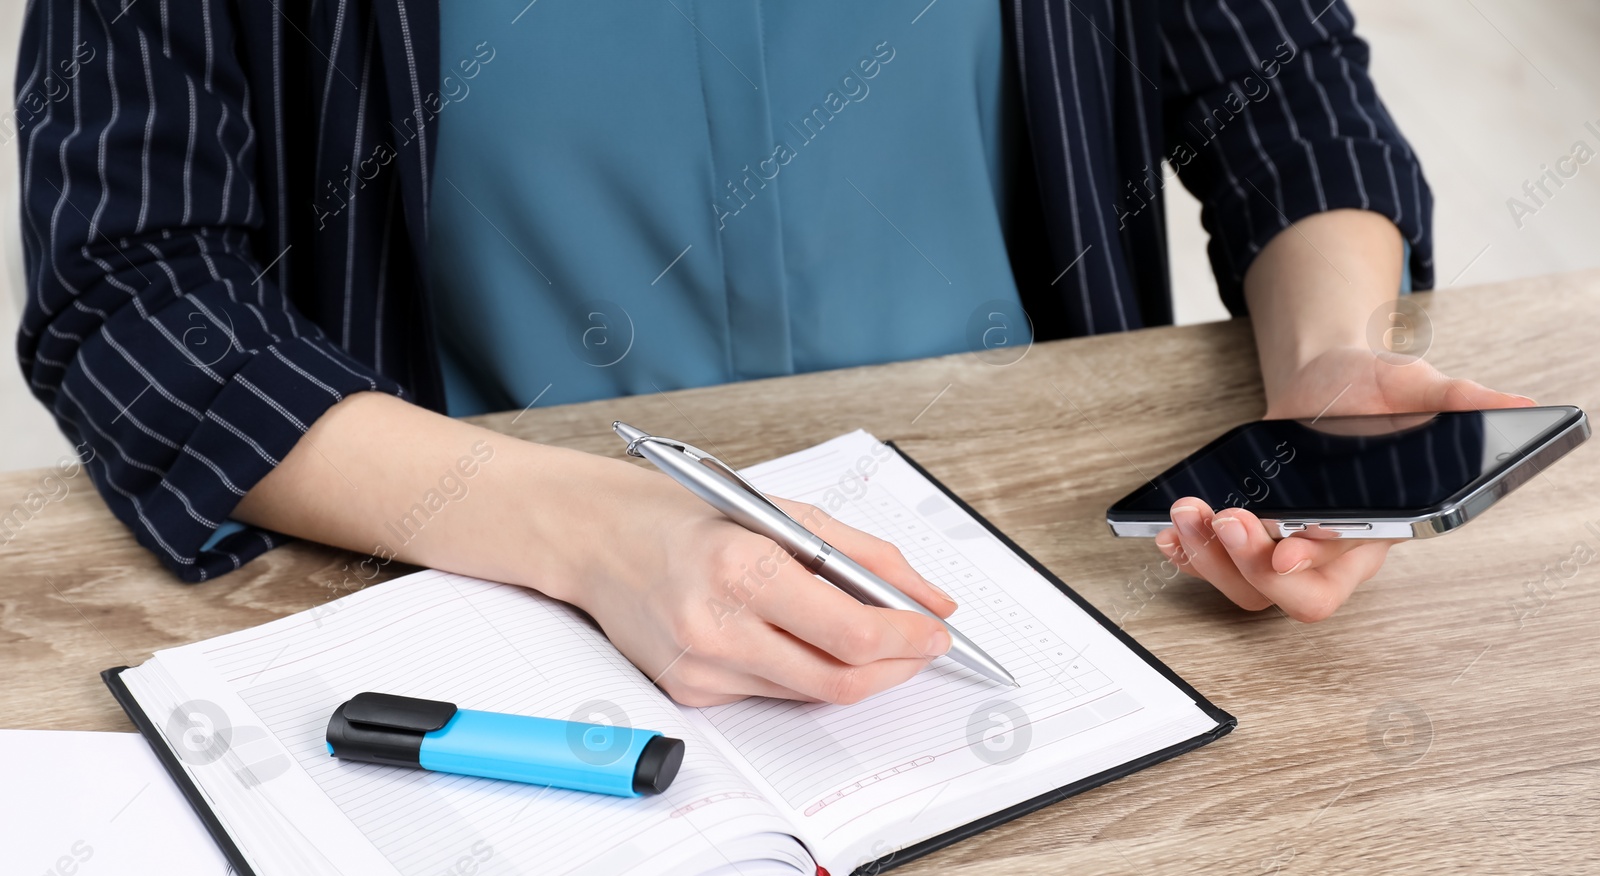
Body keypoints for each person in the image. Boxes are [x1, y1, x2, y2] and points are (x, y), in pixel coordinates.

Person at [15, 0, 1529, 707]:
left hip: (1060, 573)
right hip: (490, 582)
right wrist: (596, 532)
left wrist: (1327, 374)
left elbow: (1286, 94)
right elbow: (130, 292)